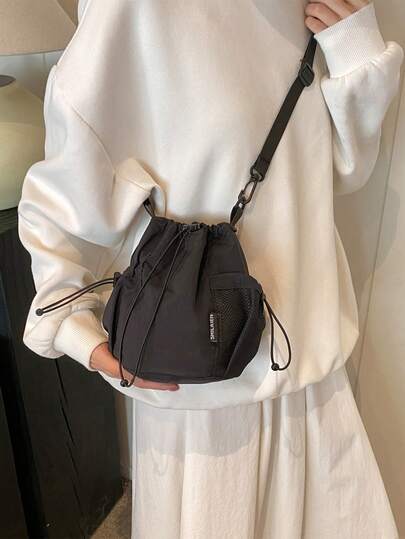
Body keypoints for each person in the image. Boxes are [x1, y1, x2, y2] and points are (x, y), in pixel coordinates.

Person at [18, 0, 403, 537]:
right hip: (200, 401)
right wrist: (71, 324)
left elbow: (337, 172)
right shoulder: (137, 11)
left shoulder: (310, 7)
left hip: (308, 373)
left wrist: (355, 52)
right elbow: (71, 175)